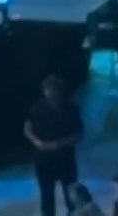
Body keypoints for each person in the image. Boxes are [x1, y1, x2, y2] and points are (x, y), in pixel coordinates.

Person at [24, 75, 83, 216]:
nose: (49, 92)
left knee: (71, 193)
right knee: (46, 194)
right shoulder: (37, 107)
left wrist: (60, 144)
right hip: (43, 158)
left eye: (53, 89)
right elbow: (27, 127)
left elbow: (79, 133)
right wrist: (37, 142)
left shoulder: (71, 108)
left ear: (59, 90)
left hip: (65, 157)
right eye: (47, 89)